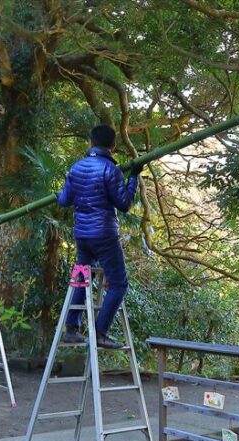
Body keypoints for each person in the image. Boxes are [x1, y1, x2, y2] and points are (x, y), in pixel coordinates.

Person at [57, 125, 142, 349]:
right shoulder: (110, 170)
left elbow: (64, 200)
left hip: (82, 235)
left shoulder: (75, 169)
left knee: (82, 278)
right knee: (119, 284)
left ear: (90, 142)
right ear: (113, 146)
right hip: (104, 235)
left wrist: (58, 193)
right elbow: (124, 204)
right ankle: (100, 332)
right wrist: (133, 177)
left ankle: (72, 329)